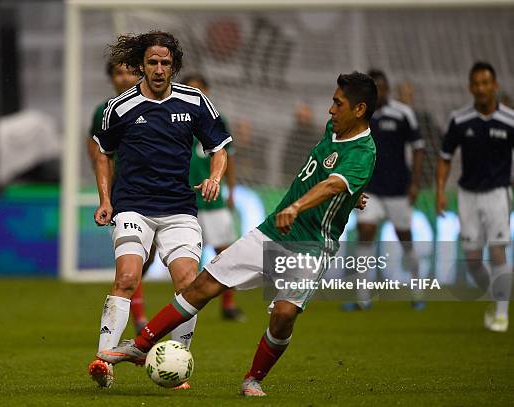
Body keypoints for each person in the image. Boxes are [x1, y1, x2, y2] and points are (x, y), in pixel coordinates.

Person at [98, 72, 377, 397]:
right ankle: (140, 345)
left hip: (311, 246)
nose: (331, 110)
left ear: (359, 109)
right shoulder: (335, 130)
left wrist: (302, 205)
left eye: (338, 103)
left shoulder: (365, 152)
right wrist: (349, 192)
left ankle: (252, 379)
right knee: (202, 285)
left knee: (284, 316)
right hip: (272, 232)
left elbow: (332, 183)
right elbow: (330, 175)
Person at [88, 31, 231, 388]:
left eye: (165, 62)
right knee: (127, 277)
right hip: (133, 207)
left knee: (187, 282)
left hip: (179, 209)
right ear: (141, 65)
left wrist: (215, 176)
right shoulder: (119, 108)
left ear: (174, 66)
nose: (158, 68)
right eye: (152, 62)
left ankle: (177, 361)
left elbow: (219, 148)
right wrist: (106, 199)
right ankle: (104, 362)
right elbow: (102, 153)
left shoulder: (195, 102)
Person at [436, 61, 513, 332]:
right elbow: (445, 157)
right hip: (467, 194)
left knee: (498, 250)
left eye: (485, 83)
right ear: (470, 87)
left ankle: (501, 315)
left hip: (497, 194)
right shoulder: (459, 119)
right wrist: (440, 191)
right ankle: (498, 293)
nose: (481, 88)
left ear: (495, 86)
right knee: (472, 261)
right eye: (476, 84)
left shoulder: (510, 120)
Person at [344, 69, 425, 311]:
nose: (378, 93)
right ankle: (362, 298)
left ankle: (417, 291)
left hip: (399, 189)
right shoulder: (360, 116)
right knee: (365, 232)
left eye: (381, 88)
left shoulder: (403, 114)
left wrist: (415, 183)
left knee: (405, 239)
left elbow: (419, 148)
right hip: (371, 190)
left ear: (388, 89)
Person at [87, 58, 150, 335]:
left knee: (144, 260)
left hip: (158, 194)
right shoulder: (104, 110)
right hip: (125, 195)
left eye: (129, 72)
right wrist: (106, 193)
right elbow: (98, 153)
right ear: (111, 78)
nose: (123, 78)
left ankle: (133, 305)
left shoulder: (152, 104)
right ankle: (139, 317)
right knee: (132, 260)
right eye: (118, 73)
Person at [183, 73, 245, 322]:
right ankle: (187, 307)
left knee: (226, 255)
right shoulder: (174, 119)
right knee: (187, 259)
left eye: (199, 89)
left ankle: (228, 305)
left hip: (215, 198)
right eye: (190, 90)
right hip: (186, 201)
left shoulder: (218, 120)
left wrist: (230, 191)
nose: (195, 94)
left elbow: (227, 157)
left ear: (207, 91)